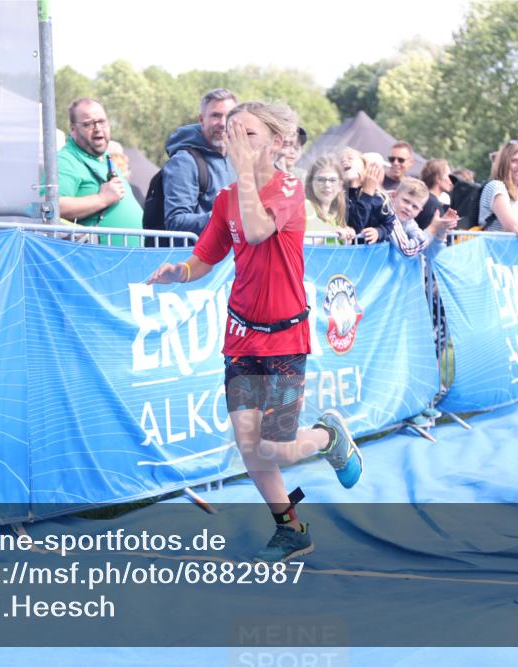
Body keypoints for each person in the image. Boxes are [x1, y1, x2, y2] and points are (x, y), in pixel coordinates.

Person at [146, 101, 363, 562]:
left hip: (285, 338)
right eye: (231, 133)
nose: (235, 142)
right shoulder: (226, 198)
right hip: (241, 337)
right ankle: (291, 529)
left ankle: (328, 436)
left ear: (276, 142)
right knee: (249, 446)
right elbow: (206, 257)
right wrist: (179, 273)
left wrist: (245, 173)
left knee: (275, 448)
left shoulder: (289, 188)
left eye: (247, 134)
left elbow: (259, 229)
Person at [57, 98, 143, 246]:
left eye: (102, 122)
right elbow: (53, 207)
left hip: (130, 255)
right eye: (88, 124)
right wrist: (102, 199)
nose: (97, 128)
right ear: (73, 129)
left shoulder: (103, 158)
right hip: (98, 257)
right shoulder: (65, 160)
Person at [162, 88, 238, 235]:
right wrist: (229, 218)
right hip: (197, 249)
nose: (223, 123)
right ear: (202, 120)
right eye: (216, 115)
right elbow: (175, 222)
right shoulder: (184, 162)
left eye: (229, 116)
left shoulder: (240, 158)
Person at [478, 140, 518, 235]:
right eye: (514, 161)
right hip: (494, 244)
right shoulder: (496, 187)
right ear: (504, 162)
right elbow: (513, 226)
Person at [389, 177, 459, 257]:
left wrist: (441, 232)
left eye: (415, 207)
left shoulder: (410, 222)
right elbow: (406, 249)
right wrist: (432, 229)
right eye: (406, 201)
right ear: (393, 196)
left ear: (420, 211)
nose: (408, 208)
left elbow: (429, 254)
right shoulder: (387, 214)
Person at [340, 148, 395, 244]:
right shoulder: (341, 197)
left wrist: (379, 232)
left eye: (350, 158)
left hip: (371, 251)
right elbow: (355, 226)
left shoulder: (379, 197)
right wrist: (362, 192)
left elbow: (388, 224)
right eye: (341, 161)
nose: (345, 160)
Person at [304, 155, 356, 244]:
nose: (327, 185)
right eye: (321, 180)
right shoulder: (304, 206)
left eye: (332, 180)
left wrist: (347, 239)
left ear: (340, 185)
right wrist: (331, 234)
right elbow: (294, 243)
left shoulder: (335, 217)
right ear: (311, 183)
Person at [419, 158, 452, 230]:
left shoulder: (426, 199)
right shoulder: (432, 204)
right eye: (449, 176)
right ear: (438, 178)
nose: (451, 180)